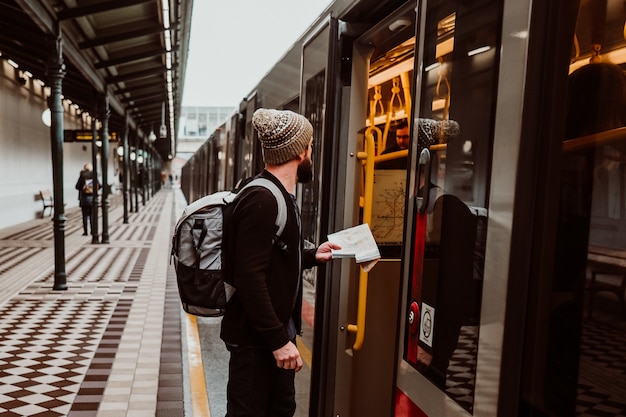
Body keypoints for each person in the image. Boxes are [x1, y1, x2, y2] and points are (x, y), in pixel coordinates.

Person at [220, 108, 341, 417]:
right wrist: (278, 342)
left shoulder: (275, 195)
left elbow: (270, 258)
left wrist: (313, 255)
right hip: (256, 343)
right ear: (300, 151)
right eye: (310, 144)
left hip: (272, 338)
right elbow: (249, 276)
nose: (311, 151)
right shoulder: (263, 199)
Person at [75, 163, 98, 236]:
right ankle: (92, 231)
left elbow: (77, 186)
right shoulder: (94, 175)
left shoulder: (82, 176)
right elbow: (99, 185)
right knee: (92, 215)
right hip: (92, 198)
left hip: (84, 199)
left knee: (84, 215)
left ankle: (85, 232)